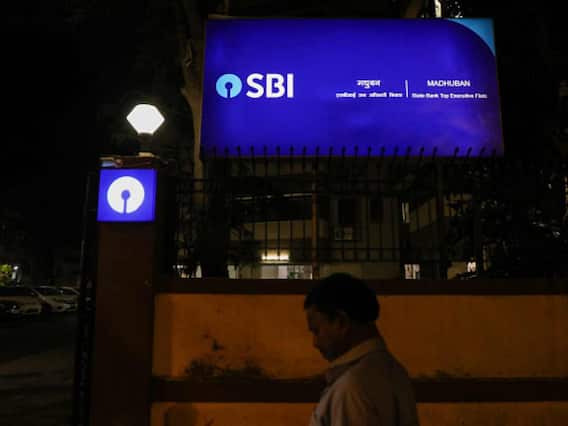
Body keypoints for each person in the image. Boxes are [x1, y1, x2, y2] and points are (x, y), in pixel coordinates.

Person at [305, 273, 419, 426]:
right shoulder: (395, 371)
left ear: (341, 322)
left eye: (316, 331)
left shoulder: (351, 387)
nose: (315, 343)